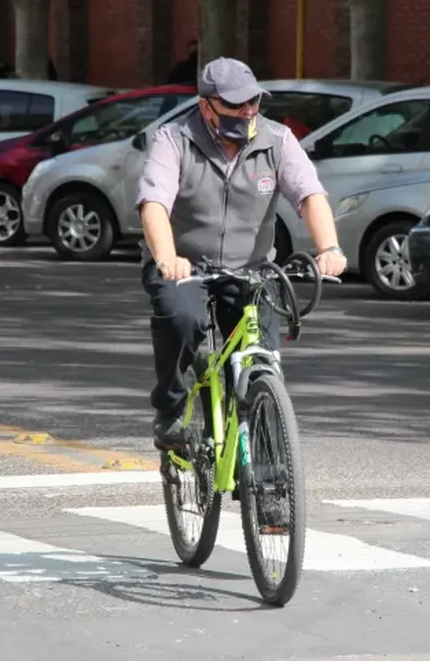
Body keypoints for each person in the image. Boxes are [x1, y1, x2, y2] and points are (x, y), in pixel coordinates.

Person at [136, 56, 347, 451]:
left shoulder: (277, 140)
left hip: (251, 270)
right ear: (206, 105)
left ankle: (270, 488)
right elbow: (154, 204)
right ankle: (169, 409)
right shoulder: (174, 139)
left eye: (253, 102)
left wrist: (329, 248)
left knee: (261, 364)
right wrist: (166, 256)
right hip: (186, 267)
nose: (247, 111)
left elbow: (309, 195)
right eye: (235, 104)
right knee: (182, 319)